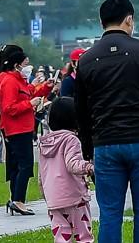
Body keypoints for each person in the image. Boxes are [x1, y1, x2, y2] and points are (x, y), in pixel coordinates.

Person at [75, 0, 139, 243]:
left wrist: (88, 148)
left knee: (110, 213)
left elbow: (81, 110)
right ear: (129, 20)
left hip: (106, 144)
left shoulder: (87, 60)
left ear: (102, 23)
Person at [0, 46, 51, 215]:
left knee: (17, 165)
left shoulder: (17, 80)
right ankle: (18, 200)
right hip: (17, 129)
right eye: (25, 64)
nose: (28, 67)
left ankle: (16, 199)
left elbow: (29, 93)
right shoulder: (10, 81)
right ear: (16, 65)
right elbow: (9, 108)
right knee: (25, 165)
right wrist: (30, 104)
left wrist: (45, 88)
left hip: (22, 127)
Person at [39, 95, 96, 243]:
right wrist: (89, 167)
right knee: (83, 235)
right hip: (74, 197)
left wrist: (45, 193)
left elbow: (42, 173)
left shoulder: (45, 142)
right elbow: (73, 164)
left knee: (61, 237)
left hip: (54, 198)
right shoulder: (71, 139)